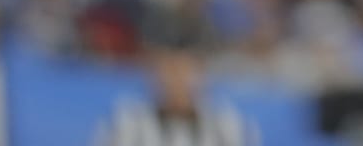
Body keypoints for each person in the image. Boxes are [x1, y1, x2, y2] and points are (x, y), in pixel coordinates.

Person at [92, 46, 258, 146]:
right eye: (169, 69)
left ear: (201, 76)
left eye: (184, 70)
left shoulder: (228, 124)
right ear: (154, 75)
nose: (176, 81)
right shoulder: (125, 122)